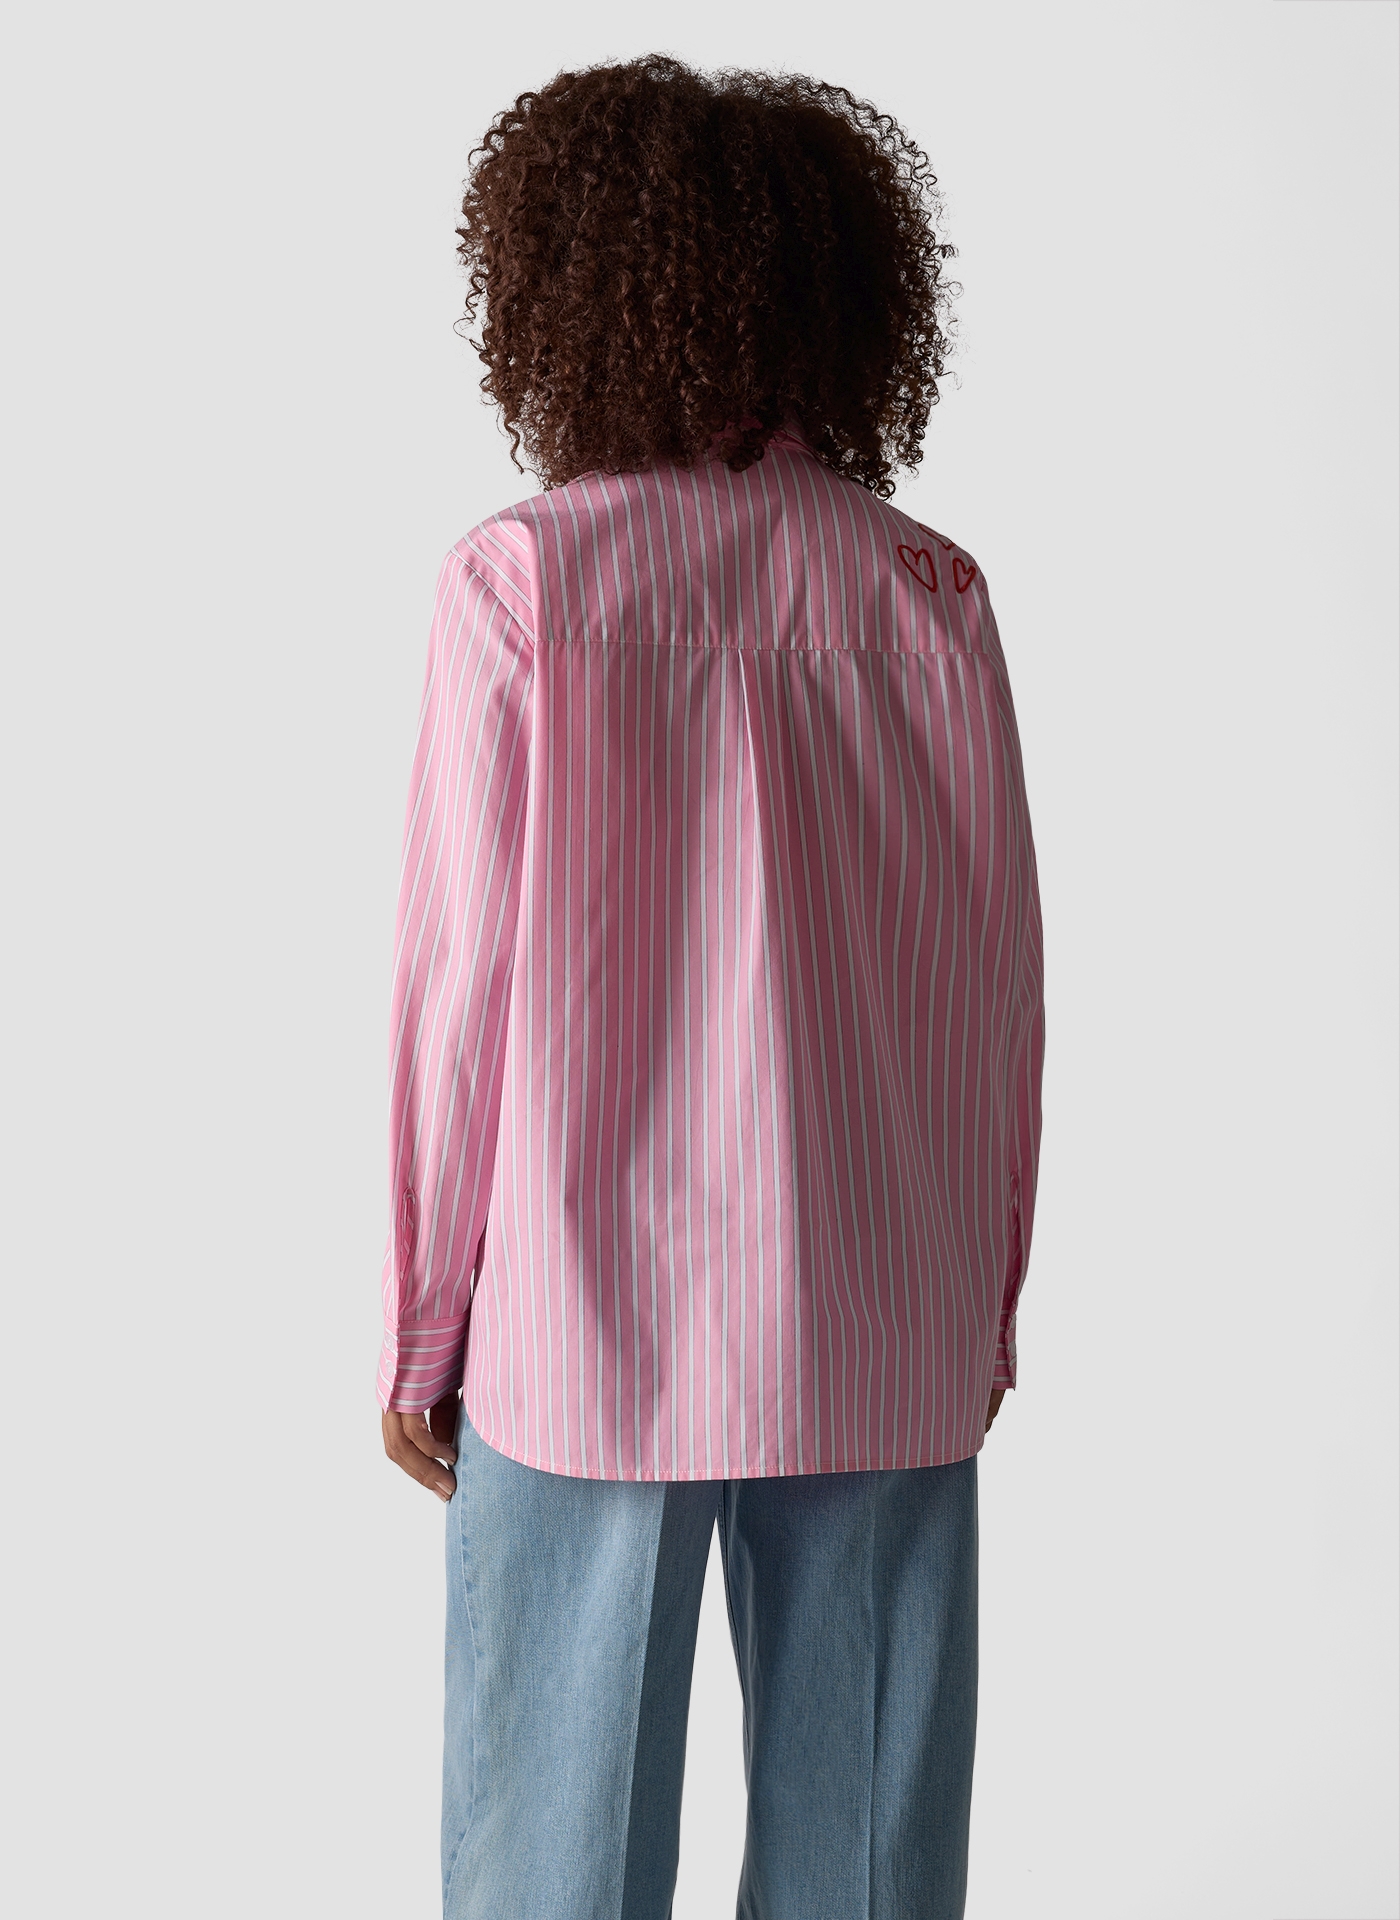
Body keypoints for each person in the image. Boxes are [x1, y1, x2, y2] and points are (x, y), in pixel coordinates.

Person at [378, 52, 1045, 1920]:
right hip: (885, 1301)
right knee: (870, 1873)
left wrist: (423, 1325)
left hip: (583, 1317)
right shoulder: (929, 592)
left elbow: (454, 993)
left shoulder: (523, 583)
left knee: (552, 1864)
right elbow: (1002, 984)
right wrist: (984, 1307)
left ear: (570, 286)